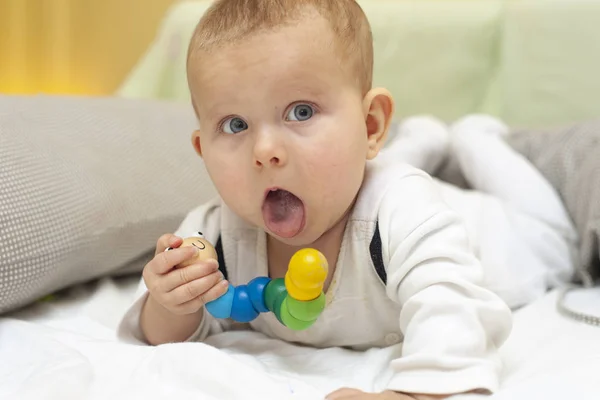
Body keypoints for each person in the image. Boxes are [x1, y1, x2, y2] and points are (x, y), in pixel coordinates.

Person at [118, 1, 513, 399]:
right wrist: (171, 302)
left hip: (507, 232)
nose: (265, 150)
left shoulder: (405, 211)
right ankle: (421, 142)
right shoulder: (214, 235)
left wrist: (411, 395)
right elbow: (161, 336)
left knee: (543, 222)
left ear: (370, 124)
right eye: (235, 125)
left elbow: (453, 316)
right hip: (375, 176)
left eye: (301, 111)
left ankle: (473, 138)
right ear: (203, 150)